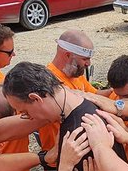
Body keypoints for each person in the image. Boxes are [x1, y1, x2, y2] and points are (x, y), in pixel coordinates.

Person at [35, 30, 101, 158]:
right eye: (85, 59)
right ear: (67, 55)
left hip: (77, 152)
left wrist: (116, 92)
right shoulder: (48, 83)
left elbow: (95, 94)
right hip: (60, 157)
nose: (88, 64)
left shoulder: (75, 73)